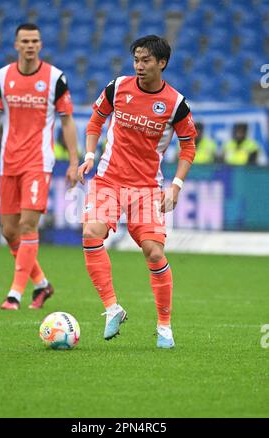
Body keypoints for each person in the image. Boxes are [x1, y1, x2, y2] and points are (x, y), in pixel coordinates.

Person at [78, 35, 196, 349]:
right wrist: (89, 156)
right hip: (108, 180)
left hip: (146, 188)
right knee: (91, 232)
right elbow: (95, 121)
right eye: (136, 60)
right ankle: (112, 308)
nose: (139, 66)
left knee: (154, 252)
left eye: (146, 61)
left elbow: (188, 146)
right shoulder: (117, 87)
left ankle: (164, 327)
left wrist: (176, 185)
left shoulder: (175, 104)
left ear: (162, 63)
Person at [0, 23, 79, 310]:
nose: (29, 45)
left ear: (40, 44)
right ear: (15, 45)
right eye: (24, 41)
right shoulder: (2, 77)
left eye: (35, 40)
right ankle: (42, 284)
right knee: (9, 231)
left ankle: (15, 293)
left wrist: (74, 161)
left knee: (27, 224)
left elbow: (67, 121)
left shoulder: (54, 78)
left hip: (39, 161)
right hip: (8, 161)